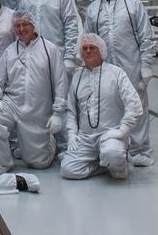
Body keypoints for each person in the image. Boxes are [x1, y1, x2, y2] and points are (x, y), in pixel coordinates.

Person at [84, 0, 156, 167]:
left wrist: (146, 65)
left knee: (137, 106)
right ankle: (114, 147)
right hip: (105, 68)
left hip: (131, 65)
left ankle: (141, 149)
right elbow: (87, 39)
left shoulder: (133, 4)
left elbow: (146, 37)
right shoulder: (93, 8)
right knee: (110, 107)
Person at [0, 9, 68, 172]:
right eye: (17, 26)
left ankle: (50, 140)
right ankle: (2, 162)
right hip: (12, 103)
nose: (21, 29)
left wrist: (57, 113)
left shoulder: (50, 50)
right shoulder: (10, 50)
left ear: (33, 25)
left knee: (39, 163)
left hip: (37, 110)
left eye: (25, 25)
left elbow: (61, 83)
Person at [61, 33, 143, 181]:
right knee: (68, 170)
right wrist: (72, 134)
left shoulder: (116, 73)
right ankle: (103, 166)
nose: (88, 51)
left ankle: (117, 162)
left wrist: (122, 130)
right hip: (85, 138)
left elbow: (134, 104)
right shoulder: (77, 77)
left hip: (110, 135)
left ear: (101, 51)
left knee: (114, 156)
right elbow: (71, 111)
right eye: (84, 48)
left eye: (92, 47)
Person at [19, 0, 81, 76]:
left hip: (57, 55)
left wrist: (69, 57)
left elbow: (71, 27)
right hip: (30, 55)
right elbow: (19, 27)